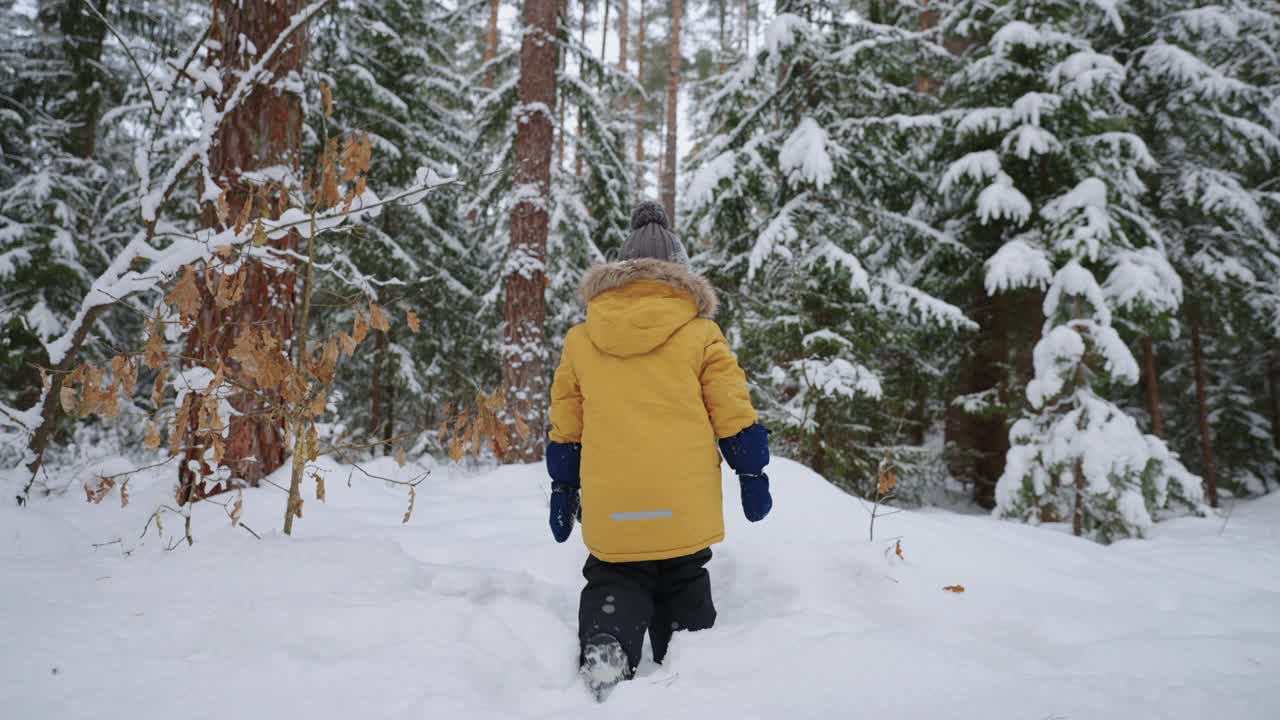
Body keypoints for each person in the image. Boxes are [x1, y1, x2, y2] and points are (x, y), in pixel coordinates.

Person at [543, 200, 773, 700]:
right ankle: (690, 663)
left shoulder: (582, 340)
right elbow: (732, 407)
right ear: (679, 273)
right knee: (684, 576)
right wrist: (751, 472)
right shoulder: (701, 333)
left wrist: (563, 483)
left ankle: (608, 640)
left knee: (614, 576)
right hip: (683, 507)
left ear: (620, 273)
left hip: (613, 506)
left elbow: (567, 421)